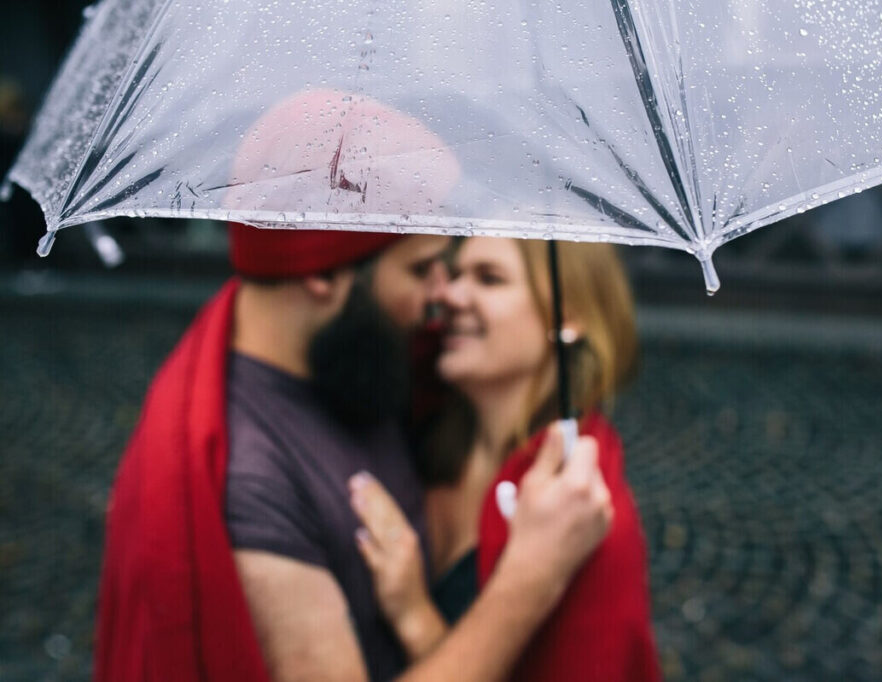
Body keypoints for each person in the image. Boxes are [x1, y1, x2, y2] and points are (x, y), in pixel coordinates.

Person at [93, 226, 615, 682]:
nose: (442, 295)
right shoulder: (251, 481)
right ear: (322, 274)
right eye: (420, 270)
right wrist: (532, 576)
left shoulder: (356, 362)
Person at [350, 237, 662, 681]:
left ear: (568, 315)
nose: (450, 295)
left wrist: (415, 617)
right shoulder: (422, 428)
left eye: (489, 279)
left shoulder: (583, 510)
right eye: (456, 274)